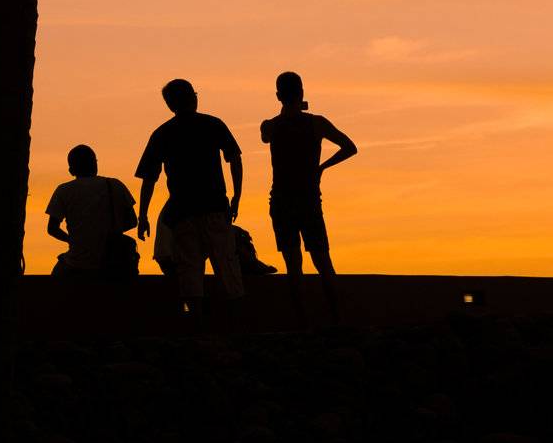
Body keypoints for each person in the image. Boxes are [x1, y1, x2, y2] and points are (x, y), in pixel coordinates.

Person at [136, 79, 244, 323]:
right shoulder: (212, 124)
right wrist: (236, 196)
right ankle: (238, 323)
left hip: (182, 213)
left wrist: (144, 216)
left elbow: (149, 180)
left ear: (170, 105)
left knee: (190, 272)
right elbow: (234, 159)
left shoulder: (162, 133)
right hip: (214, 207)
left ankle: (196, 324)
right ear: (193, 97)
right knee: (227, 267)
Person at [261, 70, 356, 320]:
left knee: (294, 267)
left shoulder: (271, 125)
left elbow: (266, 135)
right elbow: (350, 147)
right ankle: (338, 317)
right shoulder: (317, 123)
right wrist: (321, 167)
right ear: (301, 92)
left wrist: (288, 110)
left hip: (282, 201)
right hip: (309, 200)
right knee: (323, 262)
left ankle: (301, 320)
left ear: (278, 95)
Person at [45, 145, 138, 279]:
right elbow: (132, 222)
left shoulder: (63, 191)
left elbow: (52, 229)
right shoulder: (115, 185)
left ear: (71, 170)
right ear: (95, 164)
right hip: (113, 261)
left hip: (77, 263)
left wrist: (74, 240)